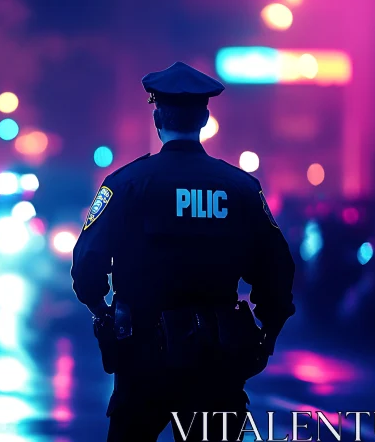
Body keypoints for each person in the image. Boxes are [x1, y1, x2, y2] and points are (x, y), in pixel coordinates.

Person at [70, 62, 295, 442]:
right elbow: (278, 269)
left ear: (158, 117)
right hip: (217, 359)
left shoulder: (126, 184)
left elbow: (87, 266)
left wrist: (103, 312)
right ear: (204, 118)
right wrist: (267, 333)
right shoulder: (241, 188)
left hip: (142, 356)